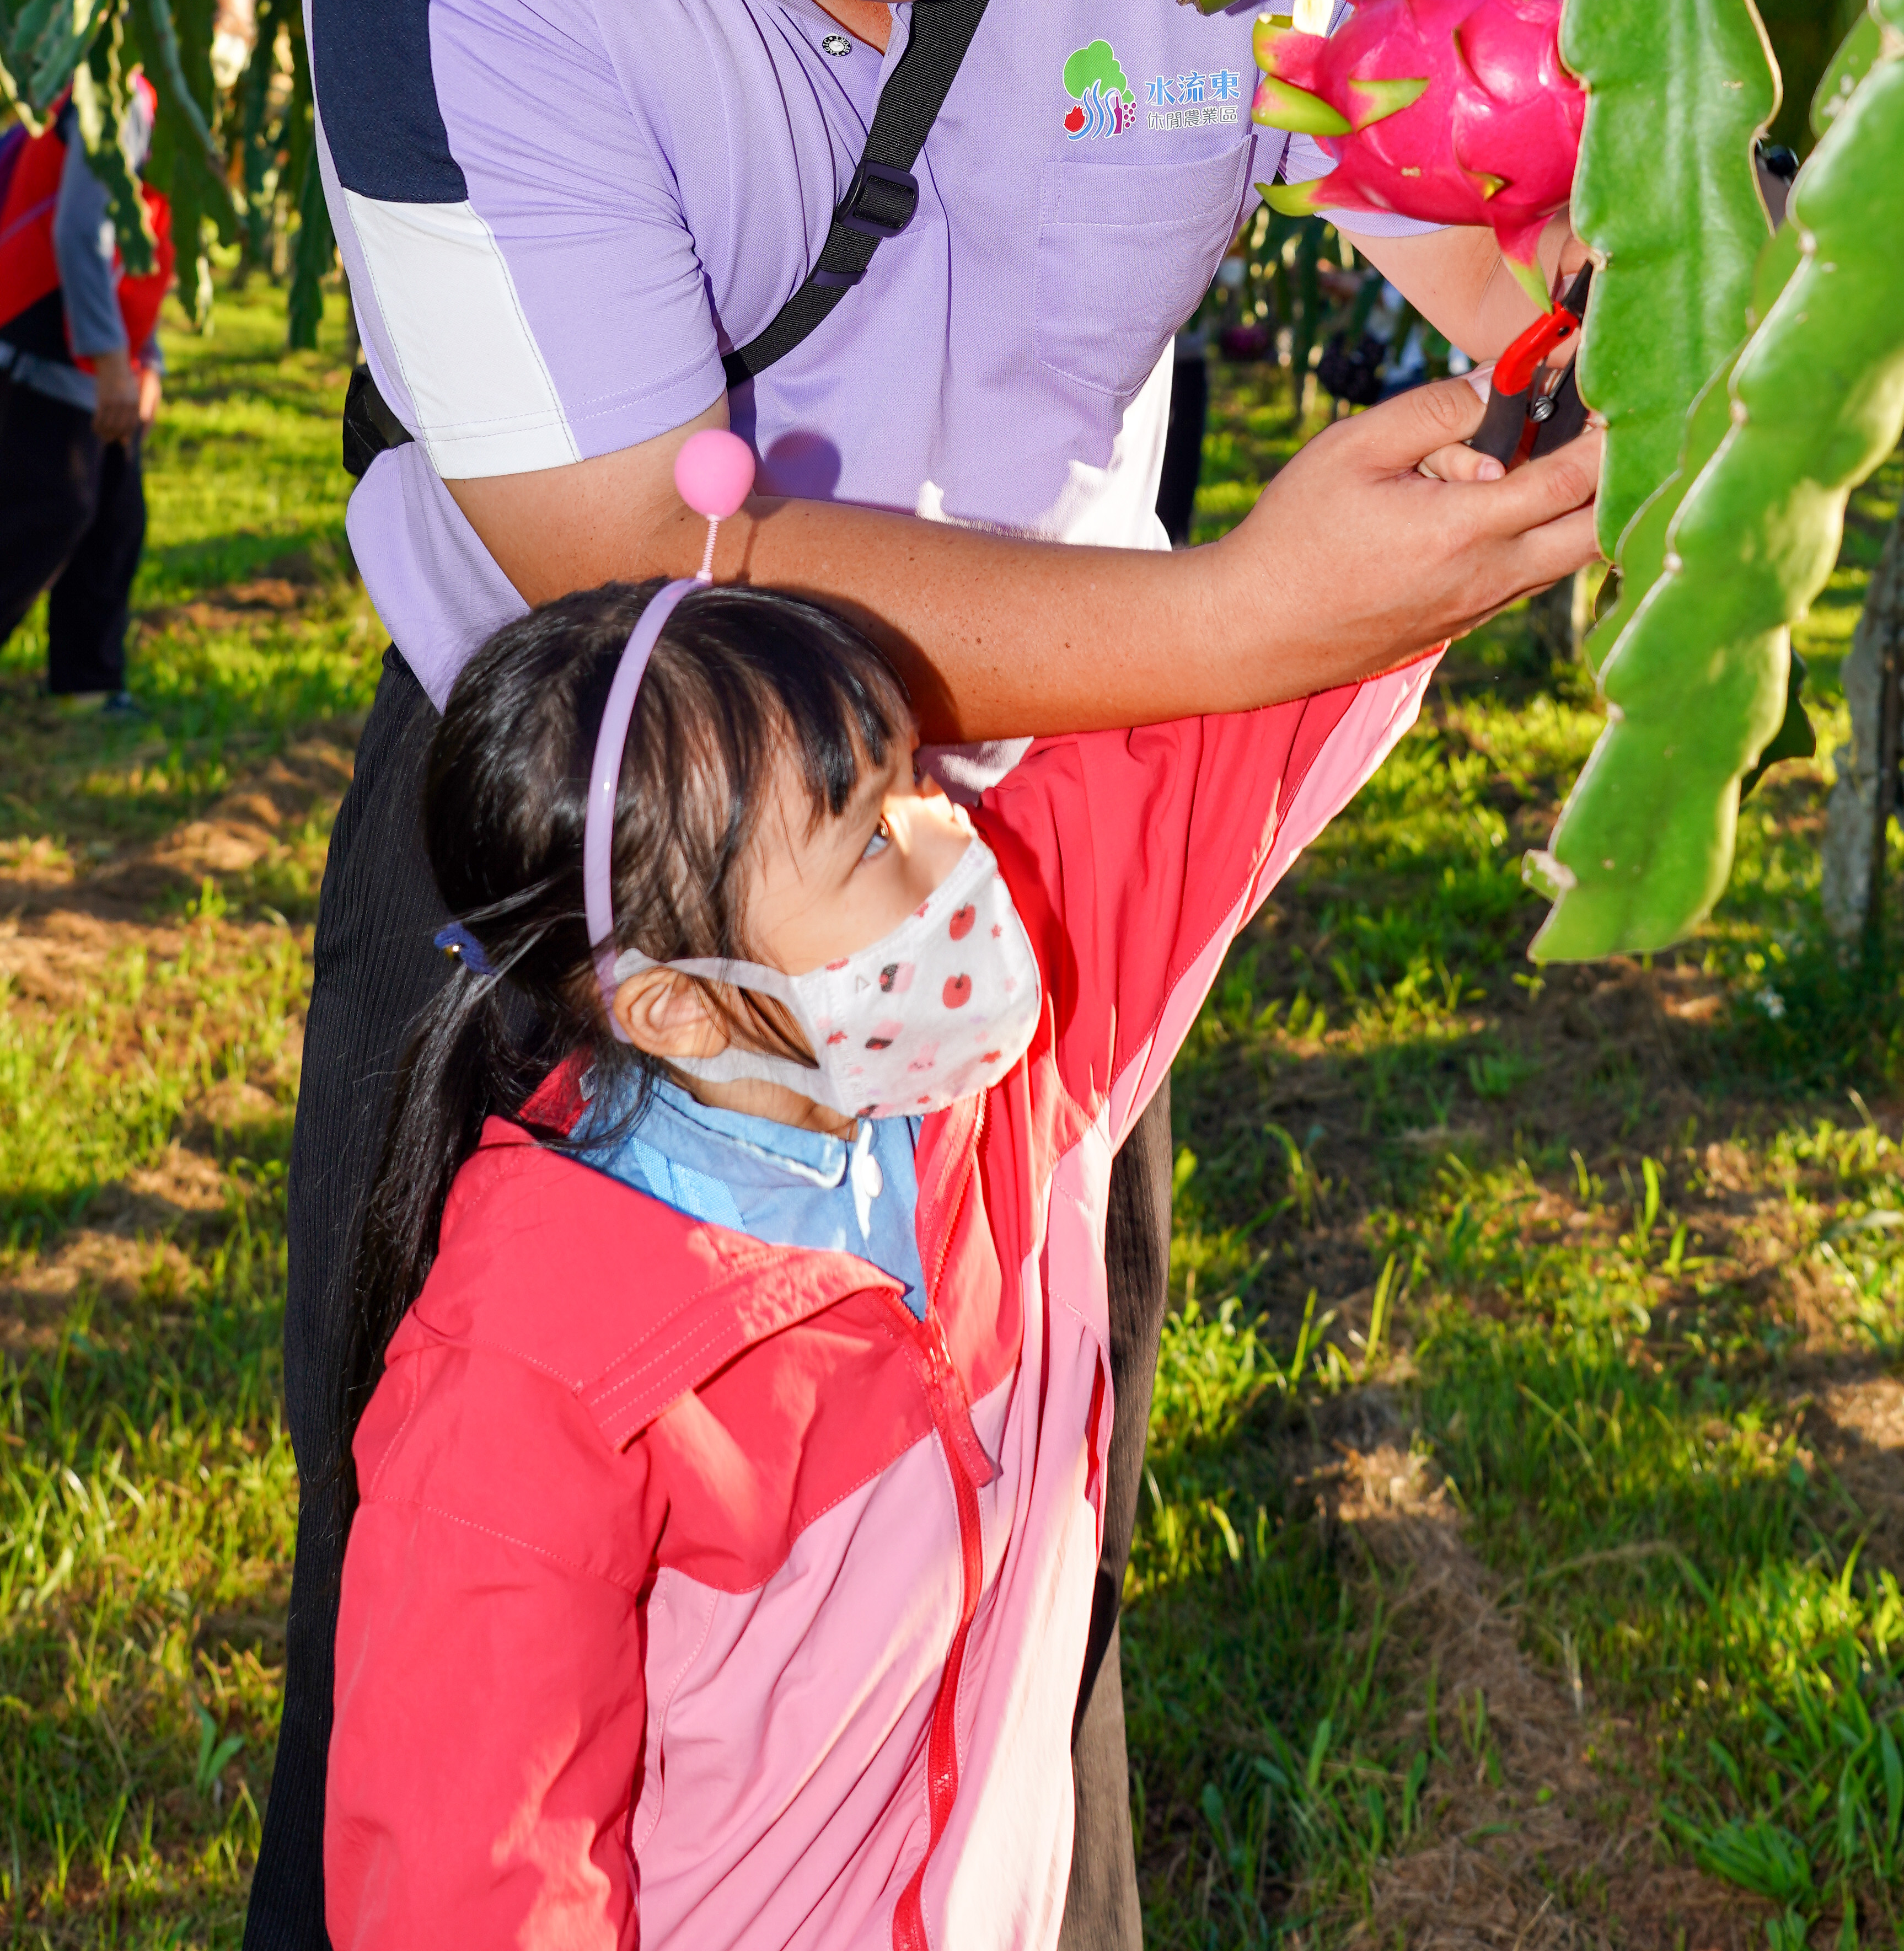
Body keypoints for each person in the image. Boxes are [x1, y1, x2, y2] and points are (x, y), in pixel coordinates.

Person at [261, 0, 1597, 1951]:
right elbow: (650, 578)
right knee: (463, 1656)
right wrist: (1242, 625)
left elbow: (1513, 237)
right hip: (618, 868)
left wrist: (1629, 293)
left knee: (1016, 1572)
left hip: (1016, 884)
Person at [326, 439, 1590, 1948]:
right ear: (673, 1005)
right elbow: (474, 1887)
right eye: (870, 840)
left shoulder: (1001, 1098)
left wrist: (1480, 477)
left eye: (915, 782)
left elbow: (1208, 740)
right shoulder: (530, 1386)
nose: (953, 845)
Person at [0, 79, 170, 711]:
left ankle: (88, 685)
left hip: (101, 343)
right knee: (47, 510)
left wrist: (145, 358)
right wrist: (110, 363)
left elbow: (137, 237)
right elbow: (80, 230)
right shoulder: (123, 94)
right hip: (50, 336)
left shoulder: (154, 104)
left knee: (113, 519)